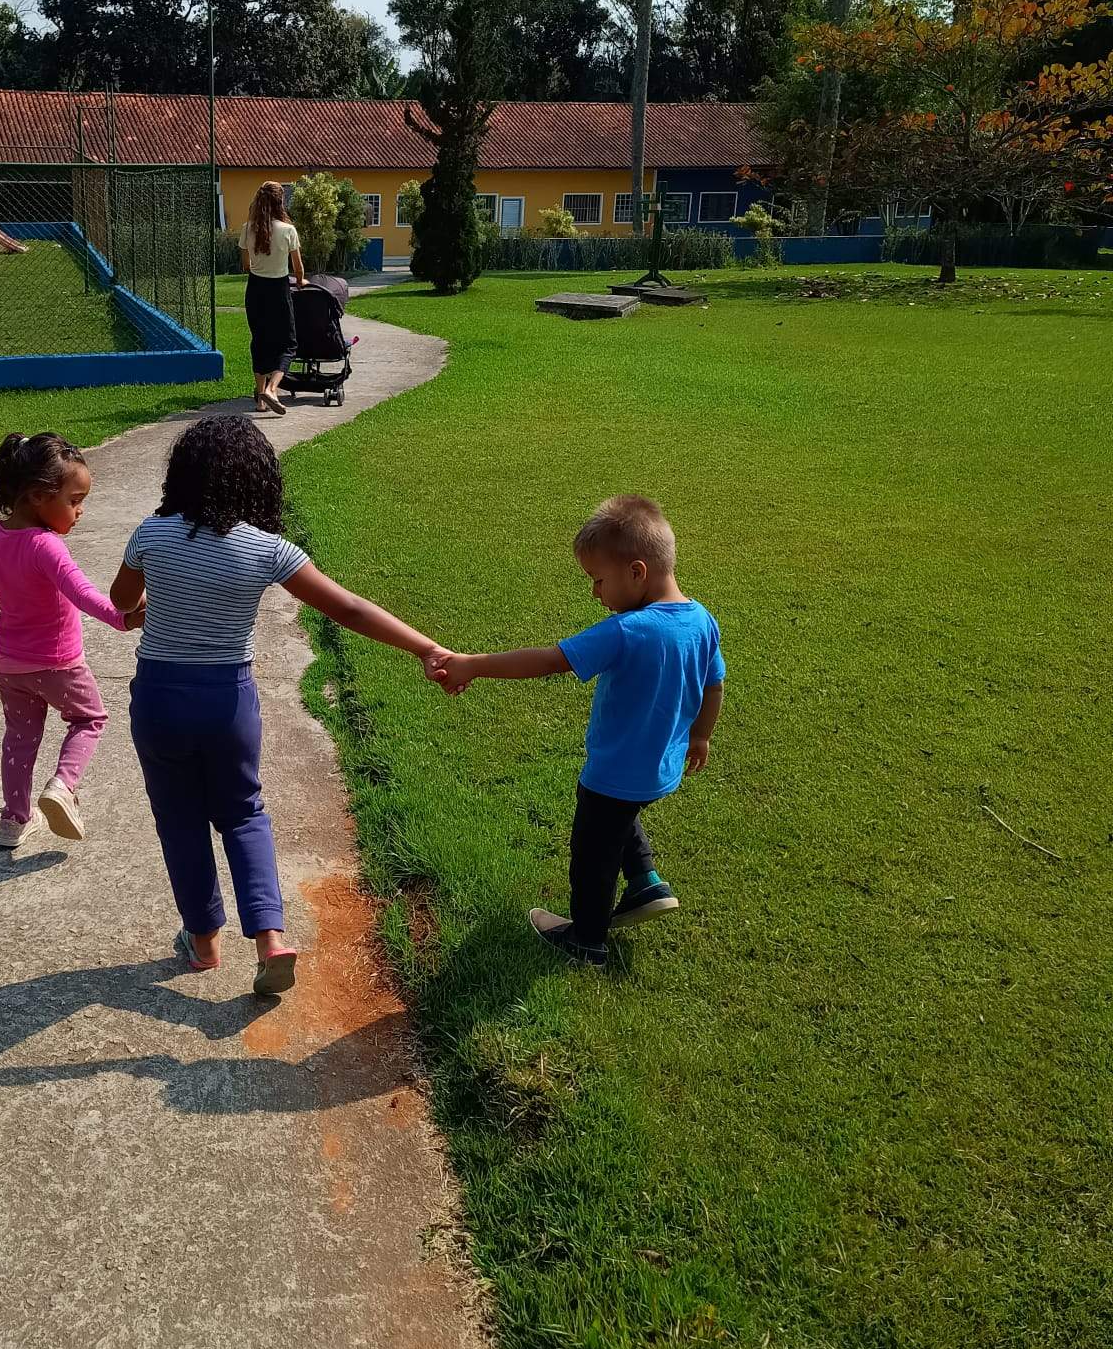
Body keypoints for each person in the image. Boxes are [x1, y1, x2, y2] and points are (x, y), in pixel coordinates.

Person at [110, 414, 448, 998]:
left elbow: (123, 603)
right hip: (227, 701)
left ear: (181, 476)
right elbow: (349, 609)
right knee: (243, 811)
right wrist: (425, 646)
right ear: (259, 481)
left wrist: (154, 609)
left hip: (162, 697)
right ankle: (270, 939)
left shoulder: (151, 533)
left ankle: (204, 940)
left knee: (179, 817)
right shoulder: (267, 550)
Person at [435, 495, 724, 967]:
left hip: (613, 771)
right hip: (662, 768)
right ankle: (647, 882)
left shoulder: (628, 630)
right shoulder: (702, 620)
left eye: (598, 581)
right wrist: (701, 737)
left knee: (593, 854)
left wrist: (473, 665)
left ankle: (587, 939)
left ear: (636, 572)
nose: (595, 594)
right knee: (620, 817)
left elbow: (549, 660)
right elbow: (714, 685)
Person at [0, 432, 141, 850]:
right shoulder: (47, 547)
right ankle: (63, 786)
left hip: (9, 665)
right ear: (40, 496)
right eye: (74, 501)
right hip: (59, 664)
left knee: (19, 739)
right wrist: (123, 618)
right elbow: (82, 593)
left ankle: (13, 821)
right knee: (89, 719)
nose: (80, 511)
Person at [239, 180, 305, 417]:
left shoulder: (247, 229)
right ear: (280, 201)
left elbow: (246, 265)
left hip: (255, 289)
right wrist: (300, 281)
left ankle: (260, 399)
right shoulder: (288, 230)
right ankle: (273, 389)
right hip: (279, 289)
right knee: (288, 343)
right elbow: (298, 269)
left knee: (259, 340)